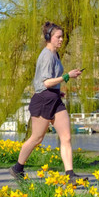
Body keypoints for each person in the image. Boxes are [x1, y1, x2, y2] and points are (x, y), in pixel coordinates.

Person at [9, 21, 87, 184]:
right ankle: (17, 168)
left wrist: (59, 90)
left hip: (55, 99)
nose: (61, 40)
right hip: (43, 100)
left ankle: (70, 175)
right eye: (58, 37)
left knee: (66, 137)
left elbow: (51, 82)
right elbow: (44, 83)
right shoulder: (46, 56)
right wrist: (67, 77)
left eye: (62, 37)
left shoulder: (56, 55)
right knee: (37, 138)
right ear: (48, 37)